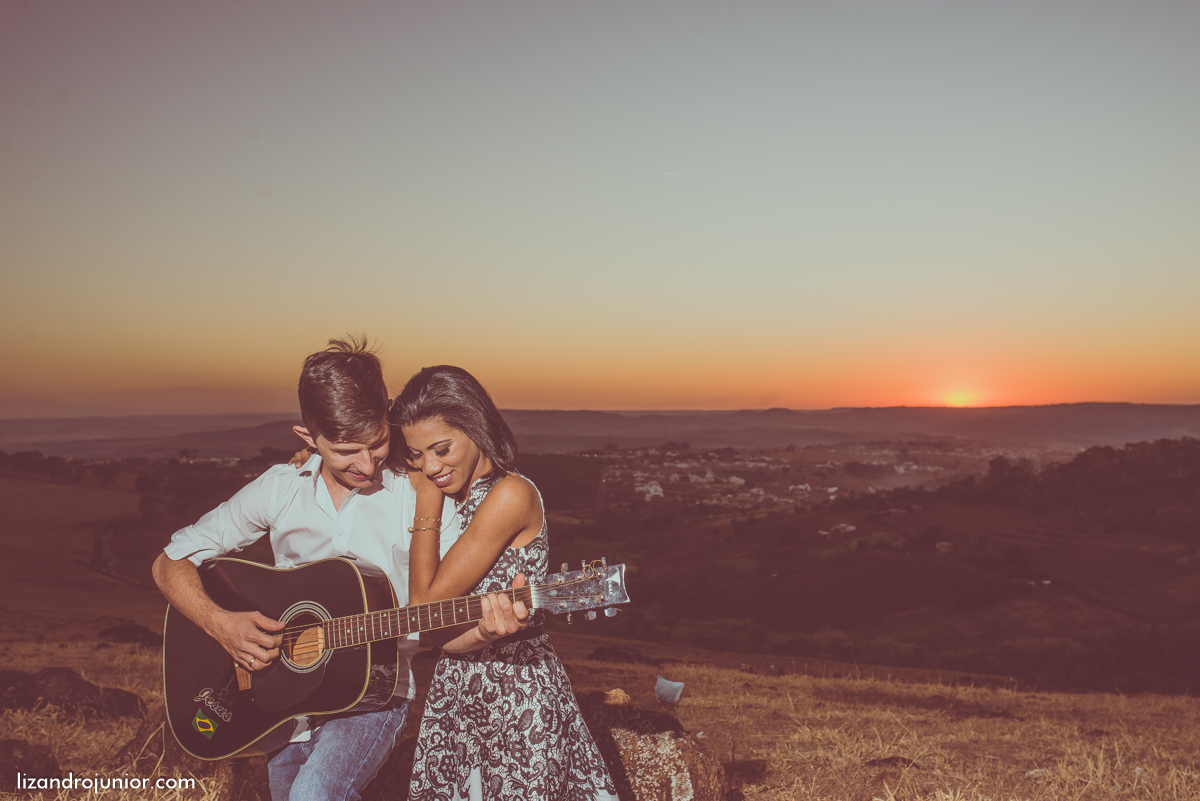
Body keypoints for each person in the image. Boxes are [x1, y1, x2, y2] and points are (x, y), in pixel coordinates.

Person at [151, 339, 525, 801]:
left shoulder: (422, 495)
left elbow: (435, 626)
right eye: (347, 451)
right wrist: (220, 623)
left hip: (375, 696)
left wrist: (486, 631)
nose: (366, 465)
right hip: (278, 698)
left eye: (377, 443)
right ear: (309, 438)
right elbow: (171, 561)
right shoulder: (279, 489)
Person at [391, 365, 618, 801]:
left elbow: (422, 606)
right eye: (416, 455)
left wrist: (426, 498)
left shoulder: (509, 495)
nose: (430, 466)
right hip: (457, 684)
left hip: (514, 694)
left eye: (441, 448)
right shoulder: (455, 491)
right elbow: (437, 634)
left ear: (476, 426)